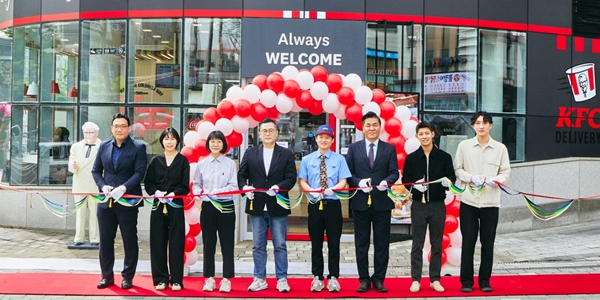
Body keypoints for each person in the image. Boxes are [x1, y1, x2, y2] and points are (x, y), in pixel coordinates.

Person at [238, 118, 297, 293]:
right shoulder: (250, 152)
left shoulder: (286, 154)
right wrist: (244, 188)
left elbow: (291, 177)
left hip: (277, 204)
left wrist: (280, 187)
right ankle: (259, 278)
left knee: (280, 244)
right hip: (257, 205)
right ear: (260, 133)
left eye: (271, 130)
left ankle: (282, 278)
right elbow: (241, 175)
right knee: (258, 245)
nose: (268, 134)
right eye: (264, 131)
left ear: (277, 133)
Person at [454, 111, 511, 293]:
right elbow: (458, 169)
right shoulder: (464, 146)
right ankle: (466, 282)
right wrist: (472, 178)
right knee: (468, 242)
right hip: (469, 202)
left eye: (485, 123)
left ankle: (485, 280)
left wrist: (497, 180)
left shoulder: (500, 148)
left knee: (488, 243)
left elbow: (506, 171)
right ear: (473, 125)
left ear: (490, 125)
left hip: (491, 203)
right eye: (478, 122)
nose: (481, 126)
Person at [92, 113, 147, 290]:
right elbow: (95, 171)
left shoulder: (138, 147)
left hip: (127, 202)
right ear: (111, 128)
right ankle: (106, 276)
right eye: (116, 126)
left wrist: (124, 188)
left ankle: (127, 276)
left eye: (123, 126)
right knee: (105, 240)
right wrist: (103, 186)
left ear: (129, 128)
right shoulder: (104, 146)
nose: (119, 129)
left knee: (129, 239)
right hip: (106, 201)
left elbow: (139, 172)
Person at [345, 111, 399, 293]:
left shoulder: (389, 148)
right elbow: (348, 174)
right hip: (360, 203)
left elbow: (394, 172)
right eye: (368, 125)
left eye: (375, 125)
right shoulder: (354, 148)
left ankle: (379, 279)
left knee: (382, 243)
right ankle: (363, 279)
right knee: (362, 243)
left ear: (380, 126)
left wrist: (387, 182)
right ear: (362, 127)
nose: (371, 128)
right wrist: (358, 182)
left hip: (382, 203)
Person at [402, 122, 456, 293]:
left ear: (433, 134)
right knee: (417, 243)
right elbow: (406, 180)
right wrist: (413, 186)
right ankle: (416, 279)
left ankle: (435, 279)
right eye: (421, 134)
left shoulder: (444, 157)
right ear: (417, 136)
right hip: (418, 205)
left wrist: (448, 182)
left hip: (437, 205)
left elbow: (451, 178)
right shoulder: (411, 158)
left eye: (427, 133)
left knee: (437, 243)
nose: (424, 136)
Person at [298, 124, 351, 292]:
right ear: (317, 139)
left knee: (334, 242)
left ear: (332, 140)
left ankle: (333, 277)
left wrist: (334, 188)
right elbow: (302, 181)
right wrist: (312, 191)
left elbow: (344, 180)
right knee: (316, 242)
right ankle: (317, 277)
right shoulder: (308, 160)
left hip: (333, 204)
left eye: (327, 137)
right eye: (321, 137)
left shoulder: (339, 159)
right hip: (314, 205)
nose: (324, 140)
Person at [143, 128, 189, 292]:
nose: (169, 142)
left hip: (175, 206)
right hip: (158, 206)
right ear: (162, 141)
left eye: (172, 139)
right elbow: (148, 183)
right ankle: (161, 278)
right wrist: (156, 192)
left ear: (177, 141)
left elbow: (185, 186)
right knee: (158, 242)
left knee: (177, 242)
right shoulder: (156, 161)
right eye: (166, 138)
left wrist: (173, 194)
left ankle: (176, 280)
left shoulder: (183, 161)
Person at [192, 130, 238, 293]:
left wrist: (219, 191)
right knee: (208, 243)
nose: (215, 144)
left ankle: (226, 279)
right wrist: (198, 192)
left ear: (223, 144)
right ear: (208, 144)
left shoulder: (230, 164)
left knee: (227, 243)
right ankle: (209, 278)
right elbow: (196, 184)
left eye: (218, 141)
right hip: (208, 207)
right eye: (212, 141)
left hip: (226, 206)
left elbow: (234, 187)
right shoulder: (202, 164)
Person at [68, 122, 102, 247]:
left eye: (91, 132)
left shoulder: (102, 145)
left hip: (95, 185)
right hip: (80, 185)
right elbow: (71, 161)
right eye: (86, 132)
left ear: (96, 133)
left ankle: (95, 238)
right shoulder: (76, 146)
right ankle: (79, 237)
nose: (88, 135)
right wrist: (73, 166)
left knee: (95, 213)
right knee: (80, 213)